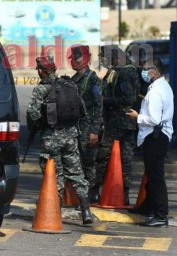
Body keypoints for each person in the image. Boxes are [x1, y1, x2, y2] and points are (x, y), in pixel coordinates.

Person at [26, 55, 95, 225]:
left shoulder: (42, 89)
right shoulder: (69, 84)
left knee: (53, 174)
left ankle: (54, 210)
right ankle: (86, 211)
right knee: (76, 172)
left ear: (42, 71)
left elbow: (32, 114)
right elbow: (80, 109)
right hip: (71, 135)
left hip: (51, 138)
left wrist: (40, 122)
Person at [126, 57, 174, 227]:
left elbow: (154, 119)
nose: (144, 72)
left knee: (156, 177)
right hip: (159, 135)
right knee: (152, 174)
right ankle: (148, 207)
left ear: (156, 70)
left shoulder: (155, 91)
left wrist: (137, 116)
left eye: (147, 69)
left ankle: (161, 215)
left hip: (155, 136)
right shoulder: (162, 87)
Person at [96, 45, 140, 205]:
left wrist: (105, 101)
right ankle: (107, 190)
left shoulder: (126, 72)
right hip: (115, 120)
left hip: (120, 122)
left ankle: (118, 192)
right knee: (120, 156)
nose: (104, 62)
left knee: (107, 154)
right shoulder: (115, 71)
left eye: (105, 58)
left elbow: (128, 99)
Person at [69, 45, 103, 203]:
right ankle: (81, 195)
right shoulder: (74, 80)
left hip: (88, 127)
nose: (76, 60)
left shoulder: (93, 79)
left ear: (86, 59)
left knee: (89, 162)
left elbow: (98, 106)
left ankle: (92, 192)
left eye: (79, 57)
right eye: (74, 57)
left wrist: (95, 131)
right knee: (77, 162)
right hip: (76, 127)